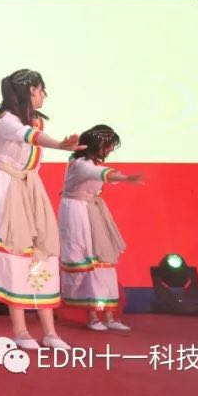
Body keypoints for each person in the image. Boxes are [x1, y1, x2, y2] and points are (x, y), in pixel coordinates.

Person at [0, 69, 83, 351]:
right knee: (16, 253)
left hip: (29, 185)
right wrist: (59, 144)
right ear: (30, 91)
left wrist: (61, 145)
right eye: (40, 89)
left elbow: (33, 135)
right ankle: (21, 330)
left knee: (42, 251)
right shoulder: (6, 119)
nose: (43, 94)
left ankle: (50, 332)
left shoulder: (34, 119)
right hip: (6, 187)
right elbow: (27, 136)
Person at [59, 125, 143, 330]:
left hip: (92, 210)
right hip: (76, 212)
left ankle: (110, 316)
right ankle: (92, 317)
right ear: (98, 144)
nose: (111, 149)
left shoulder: (89, 163)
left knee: (104, 260)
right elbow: (96, 172)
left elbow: (98, 171)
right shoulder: (79, 164)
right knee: (88, 261)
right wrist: (124, 178)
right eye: (109, 145)